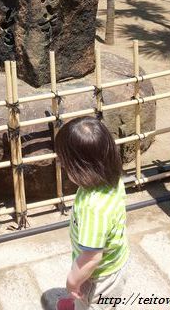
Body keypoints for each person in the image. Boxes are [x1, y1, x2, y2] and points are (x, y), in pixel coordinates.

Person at [55, 117, 129, 310]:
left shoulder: (93, 208)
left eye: (65, 163)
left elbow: (91, 257)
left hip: (98, 277)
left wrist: (72, 281)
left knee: (90, 303)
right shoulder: (112, 180)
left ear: (80, 167)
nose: (62, 167)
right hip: (116, 262)